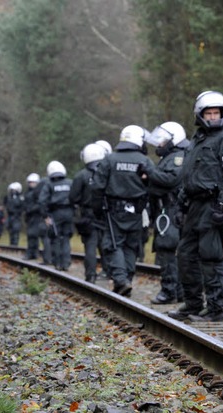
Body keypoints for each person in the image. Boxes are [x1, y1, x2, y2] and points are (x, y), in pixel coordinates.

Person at [167, 91, 223, 322]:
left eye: (216, 113)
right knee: (186, 255)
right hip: (193, 205)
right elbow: (189, 175)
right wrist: (181, 204)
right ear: (200, 115)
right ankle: (192, 304)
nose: (212, 117)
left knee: (211, 258)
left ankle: (214, 309)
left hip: (213, 204)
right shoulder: (197, 139)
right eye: (208, 113)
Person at [91, 125, 155, 296]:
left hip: (114, 211)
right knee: (131, 246)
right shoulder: (144, 160)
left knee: (113, 244)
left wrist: (97, 210)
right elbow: (153, 183)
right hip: (137, 211)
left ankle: (121, 279)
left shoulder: (110, 159)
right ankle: (127, 278)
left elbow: (97, 187)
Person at [141, 121, 189, 304]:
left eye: (162, 141)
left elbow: (170, 179)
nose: (159, 145)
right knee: (166, 249)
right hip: (166, 209)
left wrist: (150, 171)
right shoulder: (170, 156)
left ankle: (170, 291)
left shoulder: (178, 157)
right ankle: (178, 291)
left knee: (167, 249)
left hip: (172, 210)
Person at [70, 143, 107, 283]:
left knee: (90, 246)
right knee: (105, 244)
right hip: (104, 214)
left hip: (88, 215)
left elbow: (73, 197)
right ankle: (108, 271)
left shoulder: (81, 176)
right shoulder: (105, 173)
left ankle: (91, 275)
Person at [39, 160, 74, 271]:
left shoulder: (49, 184)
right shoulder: (70, 183)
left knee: (55, 237)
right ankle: (66, 262)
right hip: (69, 212)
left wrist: (45, 216)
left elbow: (42, 201)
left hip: (55, 213)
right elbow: (76, 197)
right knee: (66, 238)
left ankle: (58, 263)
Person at [23, 173, 43, 260]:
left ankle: (33, 252)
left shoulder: (39, 192)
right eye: (30, 182)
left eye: (34, 182)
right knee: (30, 235)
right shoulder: (27, 193)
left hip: (36, 216)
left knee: (34, 234)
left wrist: (31, 209)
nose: (32, 184)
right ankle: (32, 253)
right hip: (29, 216)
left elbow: (40, 204)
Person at [4, 182, 24, 246]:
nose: (13, 192)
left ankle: (15, 245)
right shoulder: (8, 197)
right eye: (12, 190)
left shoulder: (21, 198)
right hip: (10, 216)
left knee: (16, 231)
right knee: (11, 231)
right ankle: (11, 245)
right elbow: (6, 204)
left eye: (14, 190)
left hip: (17, 217)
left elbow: (21, 207)